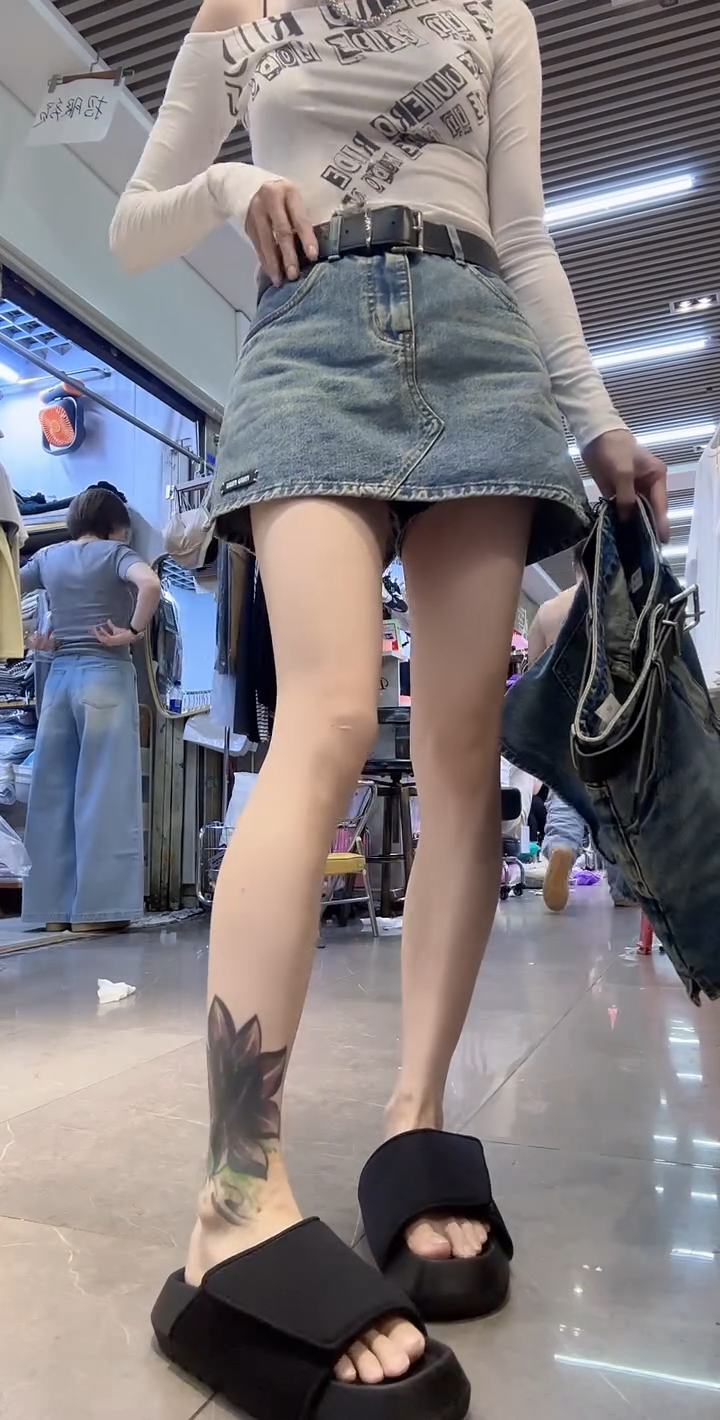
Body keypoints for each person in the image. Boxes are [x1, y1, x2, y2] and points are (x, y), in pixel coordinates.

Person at [110, 0, 667, 1413]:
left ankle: (415, 1122)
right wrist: (235, 184)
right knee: (330, 719)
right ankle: (236, 1192)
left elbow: (525, 232)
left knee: (463, 756)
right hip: (308, 331)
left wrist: (599, 416)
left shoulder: (497, 14)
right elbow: (131, 227)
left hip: (482, 337)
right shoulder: (237, 14)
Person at [19, 487, 160, 933]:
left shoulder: (48, 558)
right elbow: (150, 584)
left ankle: (51, 911)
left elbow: (7, 587)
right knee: (104, 793)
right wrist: (132, 631)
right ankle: (97, 914)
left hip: (58, 678)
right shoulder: (117, 554)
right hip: (105, 675)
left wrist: (26, 638)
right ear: (115, 525)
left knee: (51, 794)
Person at [528, 548, 635, 911]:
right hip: (612, 714)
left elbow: (534, 679)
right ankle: (624, 889)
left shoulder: (548, 610)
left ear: (575, 564)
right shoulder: (621, 603)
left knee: (566, 792)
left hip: (567, 717)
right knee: (617, 801)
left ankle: (562, 846)